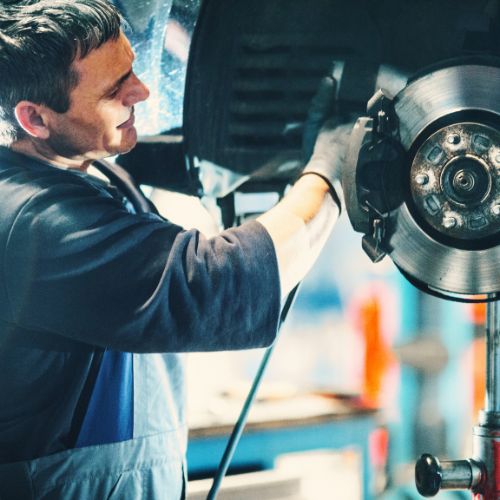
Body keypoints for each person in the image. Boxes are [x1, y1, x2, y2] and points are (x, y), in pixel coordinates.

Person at [0, 0, 349, 498]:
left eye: (132, 69)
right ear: (35, 118)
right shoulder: (35, 220)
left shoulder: (92, 166)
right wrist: (328, 172)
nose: (140, 91)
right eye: (114, 90)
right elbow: (213, 286)